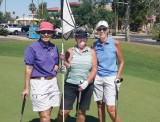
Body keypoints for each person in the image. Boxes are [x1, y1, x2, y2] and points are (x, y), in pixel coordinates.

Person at [21, 21, 60, 122]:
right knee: (45, 116)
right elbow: (28, 69)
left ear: (52, 33)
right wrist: (26, 88)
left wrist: (59, 67)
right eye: (43, 32)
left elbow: (56, 65)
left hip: (52, 83)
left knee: (48, 113)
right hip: (39, 84)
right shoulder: (32, 48)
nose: (46, 34)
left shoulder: (54, 47)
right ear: (39, 33)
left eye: (48, 32)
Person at [56, 27, 97, 122]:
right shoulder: (70, 50)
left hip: (86, 86)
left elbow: (94, 69)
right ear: (76, 38)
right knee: (63, 112)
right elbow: (68, 67)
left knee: (81, 112)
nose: (81, 39)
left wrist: (86, 82)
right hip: (70, 84)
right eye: (79, 37)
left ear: (86, 39)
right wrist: (64, 61)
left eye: (84, 37)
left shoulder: (92, 52)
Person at [92, 20, 124, 122]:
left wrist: (118, 76)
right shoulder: (94, 45)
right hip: (98, 78)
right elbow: (92, 63)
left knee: (111, 109)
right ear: (97, 30)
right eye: (99, 29)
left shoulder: (115, 43)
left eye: (104, 29)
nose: (102, 31)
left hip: (111, 78)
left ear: (108, 30)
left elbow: (121, 62)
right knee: (100, 105)